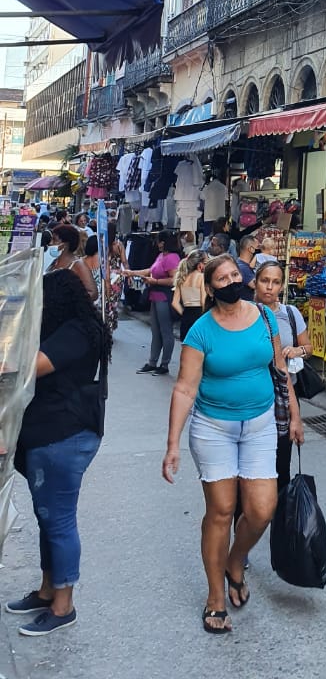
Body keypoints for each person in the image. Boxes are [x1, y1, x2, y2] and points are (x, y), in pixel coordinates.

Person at [161, 254, 303, 635]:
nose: (229, 282)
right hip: (213, 429)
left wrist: (295, 414)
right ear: (210, 288)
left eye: (233, 276)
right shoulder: (201, 331)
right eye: (220, 279)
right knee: (221, 510)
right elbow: (185, 387)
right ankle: (215, 597)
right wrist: (172, 443)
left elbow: (279, 369)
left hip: (259, 426)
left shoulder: (266, 317)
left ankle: (235, 561)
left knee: (261, 509)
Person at [7, 270, 110, 636]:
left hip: (63, 435)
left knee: (59, 520)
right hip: (49, 434)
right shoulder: (67, 328)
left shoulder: (77, 332)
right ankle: (48, 589)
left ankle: (63, 605)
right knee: (48, 517)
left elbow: (28, 367)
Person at [252, 261, 311, 490]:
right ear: (255, 282)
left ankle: (279, 519)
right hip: (255, 397)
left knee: (281, 467)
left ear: (282, 286)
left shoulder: (290, 313)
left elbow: (309, 347)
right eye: (265, 281)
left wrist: (298, 350)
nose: (269, 287)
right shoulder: (244, 312)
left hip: (286, 398)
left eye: (275, 282)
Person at [123, 229, 182, 375]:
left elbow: (174, 280)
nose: (156, 243)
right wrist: (132, 272)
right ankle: (152, 362)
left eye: (158, 241)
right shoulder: (162, 256)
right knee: (156, 332)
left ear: (163, 242)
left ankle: (164, 364)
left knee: (165, 331)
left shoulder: (172, 258)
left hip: (164, 297)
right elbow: (150, 270)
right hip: (155, 297)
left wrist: (155, 281)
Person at [47, 224, 97, 302]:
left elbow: (93, 293)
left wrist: (67, 300)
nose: (50, 243)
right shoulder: (53, 262)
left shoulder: (78, 264)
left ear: (65, 245)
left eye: (55, 240)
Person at [172, 249, 207, 341]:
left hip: (186, 316)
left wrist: (185, 314)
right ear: (200, 265)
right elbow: (204, 301)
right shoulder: (201, 277)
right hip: (199, 316)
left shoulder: (182, 278)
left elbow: (175, 303)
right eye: (206, 263)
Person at [235, 235, 258, 301]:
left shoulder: (241, 264)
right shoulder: (243, 268)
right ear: (251, 249)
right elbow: (257, 286)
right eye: (258, 247)